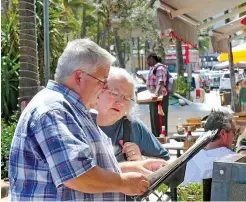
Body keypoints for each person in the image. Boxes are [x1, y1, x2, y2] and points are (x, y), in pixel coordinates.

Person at [8, 39, 166, 201]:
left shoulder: (68, 108)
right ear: (79, 77)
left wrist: (131, 168)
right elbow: (76, 176)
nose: (105, 88)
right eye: (103, 81)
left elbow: (83, 169)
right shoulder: (54, 110)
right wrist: (124, 182)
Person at [94, 67, 170, 162]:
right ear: (97, 91)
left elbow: (165, 163)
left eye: (127, 98)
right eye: (115, 94)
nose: (120, 102)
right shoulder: (78, 125)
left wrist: (142, 159)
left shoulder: (133, 126)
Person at [182, 111, 236, 184]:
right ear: (223, 133)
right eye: (234, 131)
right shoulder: (232, 159)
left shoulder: (193, 157)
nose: (234, 136)